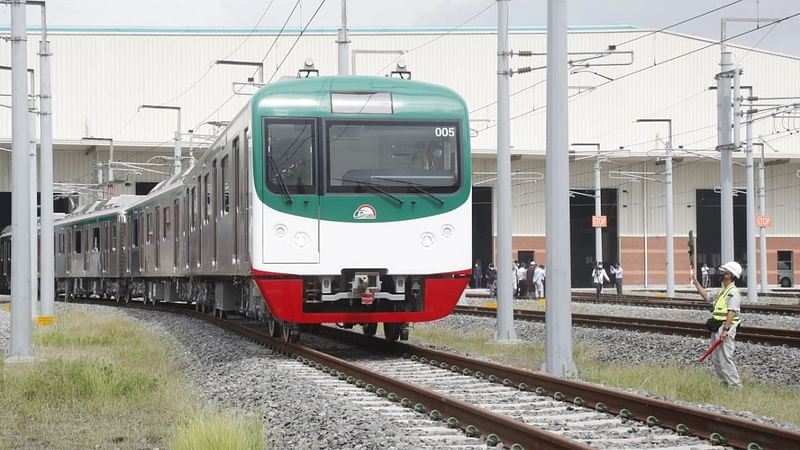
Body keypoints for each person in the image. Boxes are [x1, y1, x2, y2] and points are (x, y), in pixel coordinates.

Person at [691, 260, 743, 388]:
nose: (719, 273)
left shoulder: (733, 292)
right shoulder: (723, 291)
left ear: (728, 275)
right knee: (717, 359)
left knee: (725, 358)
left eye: (722, 271)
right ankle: (724, 385)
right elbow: (707, 297)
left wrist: (725, 330)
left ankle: (735, 386)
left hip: (725, 329)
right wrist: (696, 283)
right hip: (717, 328)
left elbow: (732, 312)